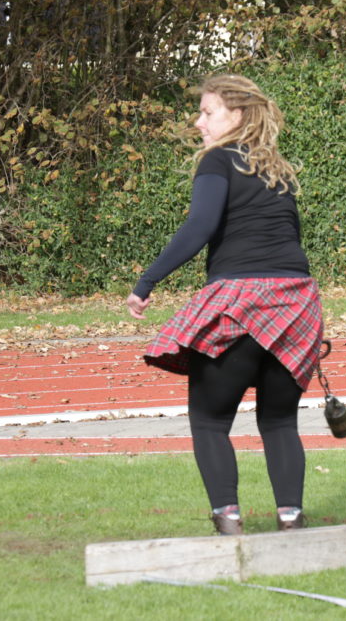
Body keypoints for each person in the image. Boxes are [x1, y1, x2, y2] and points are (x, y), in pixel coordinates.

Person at [126, 74, 323, 536]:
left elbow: (200, 227)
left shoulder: (217, 160)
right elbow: (291, 239)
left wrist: (147, 281)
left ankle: (229, 524)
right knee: (279, 421)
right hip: (295, 303)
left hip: (239, 301)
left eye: (207, 112)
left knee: (210, 421)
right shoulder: (277, 170)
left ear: (236, 115)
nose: (199, 122)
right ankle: (291, 521)